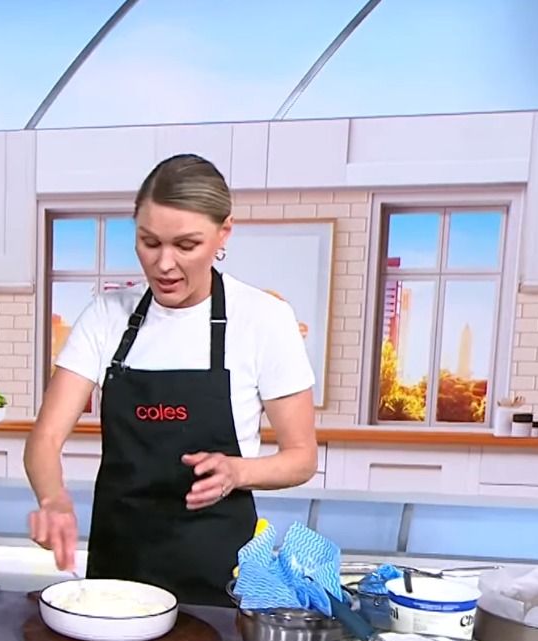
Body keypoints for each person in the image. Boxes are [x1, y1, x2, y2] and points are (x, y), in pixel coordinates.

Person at [24, 154, 318, 607]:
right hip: (117, 574)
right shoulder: (107, 317)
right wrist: (53, 499)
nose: (164, 264)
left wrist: (237, 471)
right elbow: (44, 440)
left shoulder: (264, 319)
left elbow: (301, 458)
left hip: (218, 576)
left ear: (224, 233)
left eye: (186, 245)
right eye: (149, 242)